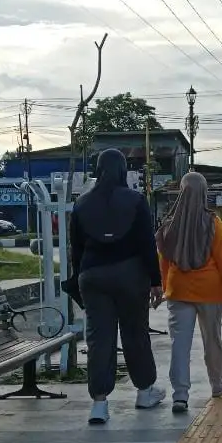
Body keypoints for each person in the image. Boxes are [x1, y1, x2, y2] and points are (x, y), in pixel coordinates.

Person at [70, 149, 166, 424]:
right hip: (130, 275)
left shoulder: (82, 203)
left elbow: (75, 248)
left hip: (93, 276)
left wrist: (79, 277)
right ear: (123, 170)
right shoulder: (136, 200)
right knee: (135, 332)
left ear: (98, 170)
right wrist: (156, 281)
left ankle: (99, 404)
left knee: (99, 338)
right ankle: (145, 391)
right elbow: (147, 244)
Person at [157, 172, 222, 413]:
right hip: (211, 293)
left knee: (179, 345)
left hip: (178, 292)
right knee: (212, 341)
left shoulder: (169, 225)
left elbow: (162, 261)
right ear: (204, 193)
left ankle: (180, 395)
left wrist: (164, 289)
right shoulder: (213, 223)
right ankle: (217, 385)